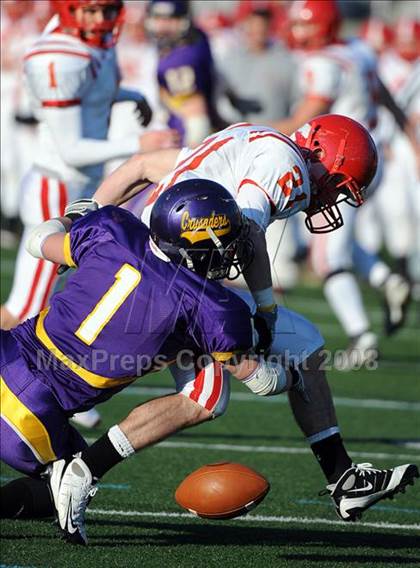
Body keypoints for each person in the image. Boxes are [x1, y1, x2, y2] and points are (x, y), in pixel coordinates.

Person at [2, 180, 418, 547]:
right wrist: (292, 373)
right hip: (28, 413)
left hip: (8, 355)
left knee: (64, 474)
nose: (234, 251)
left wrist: (71, 220)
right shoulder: (211, 306)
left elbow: (39, 239)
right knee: (69, 478)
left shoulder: (115, 229)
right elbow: (260, 381)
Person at [0, 0, 178, 332]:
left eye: (107, 10)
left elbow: (93, 91)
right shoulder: (59, 57)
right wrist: (139, 146)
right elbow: (71, 151)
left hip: (78, 188)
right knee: (25, 310)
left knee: (47, 307)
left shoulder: (93, 46)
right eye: (91, 11)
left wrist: (129, 95)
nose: (100, 20)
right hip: (56, 186)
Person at [271, 0, 415, 365]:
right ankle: (386, 279)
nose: (299, 32)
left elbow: (306, 117)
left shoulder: (324, 64)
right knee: (340, 241)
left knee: (327, 258)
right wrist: (409, 136)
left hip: (343, 164)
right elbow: (386, 98)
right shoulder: (358, 49)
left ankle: (361, 336)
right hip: (371, 156)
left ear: (323, 26)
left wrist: (253, 134)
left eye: (305, 25)